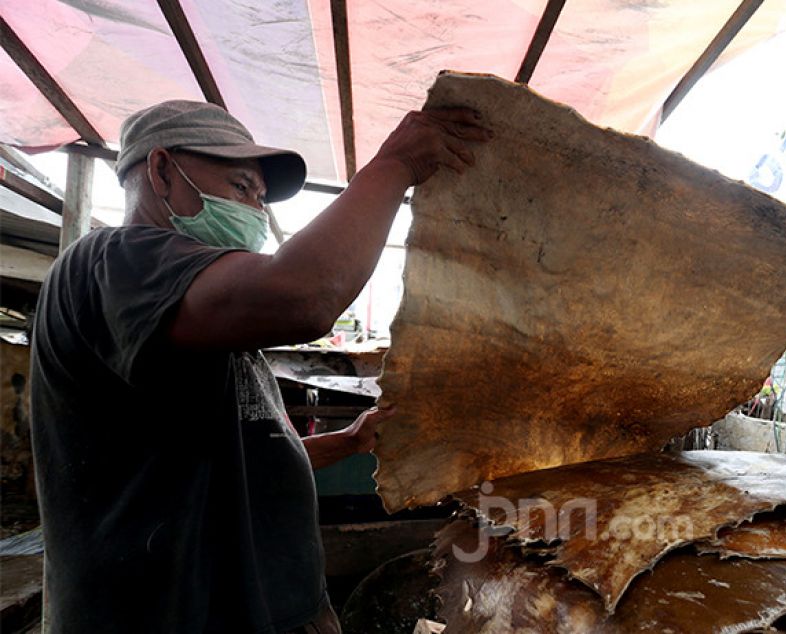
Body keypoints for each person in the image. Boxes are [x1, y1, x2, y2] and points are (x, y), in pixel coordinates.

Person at [29, 99, 491, 633]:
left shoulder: (207, 324)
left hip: (274, 610)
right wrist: (394, 166)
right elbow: (305, 297)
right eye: (242, 188)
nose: (254, 211)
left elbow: (238, 463)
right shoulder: (116, 258)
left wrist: (346, 441)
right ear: (160, 171)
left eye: (260, 198)